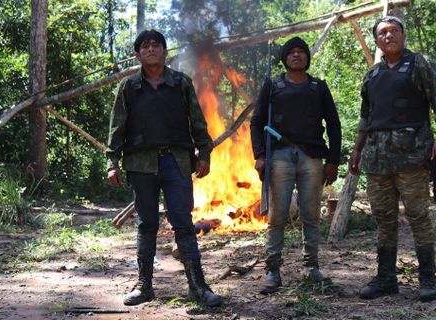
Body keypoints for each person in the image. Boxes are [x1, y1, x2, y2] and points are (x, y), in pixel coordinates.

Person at [106, 30, 222, 307]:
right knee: (147, 224)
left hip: (177, 161)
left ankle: (198, 286)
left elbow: (197, 121)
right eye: (144, 46)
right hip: (140, 163)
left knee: (183, 223)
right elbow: (117, 127)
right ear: (137, 54)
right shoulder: (129, 87)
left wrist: (204, 153)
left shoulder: (181, 83)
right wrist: (112, 162)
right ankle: (144, 286)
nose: (150, 49)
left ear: (164, 51)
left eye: (156, 45)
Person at [348, 16, 436, 302]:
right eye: (382, 32)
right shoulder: (372, 75)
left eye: (394, 31)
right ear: (377, 40)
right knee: (383, 219)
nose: (388, 36)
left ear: (403, 35)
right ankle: (385, 279)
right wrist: (357, 150)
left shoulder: (420, 64)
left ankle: (428, 279)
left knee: (418, 216)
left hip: (412, 155)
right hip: (377, 159)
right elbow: (365, 118)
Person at [250, 36, 342, 294]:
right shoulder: (272, 86)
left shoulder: (318, 88)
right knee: (277, 215)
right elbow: (257, 122)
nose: (297, 55)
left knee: (311, 215)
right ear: (285, 58)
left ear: (307, 58)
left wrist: (333, 160)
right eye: (292, 52)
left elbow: (334, 125)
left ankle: (311, 267)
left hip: (312, 157)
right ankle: (273, 270)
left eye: (302, 52)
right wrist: (259, 155)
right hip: (279, 156)